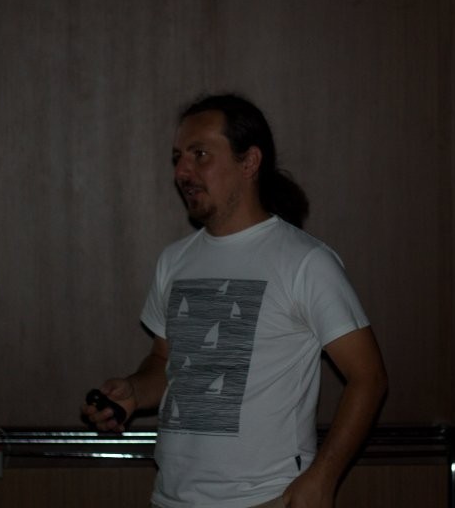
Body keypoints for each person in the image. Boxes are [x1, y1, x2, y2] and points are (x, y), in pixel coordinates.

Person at [83, 93, 387, 508]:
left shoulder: (305, 261)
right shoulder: (174, 260)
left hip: (266, 497)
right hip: (170, 497)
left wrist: (323, 478)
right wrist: (134, 391)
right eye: (177, 158)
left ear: (249, 162)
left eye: (200, 155)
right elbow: (165, 360)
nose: (182, 172)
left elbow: (369, 377)